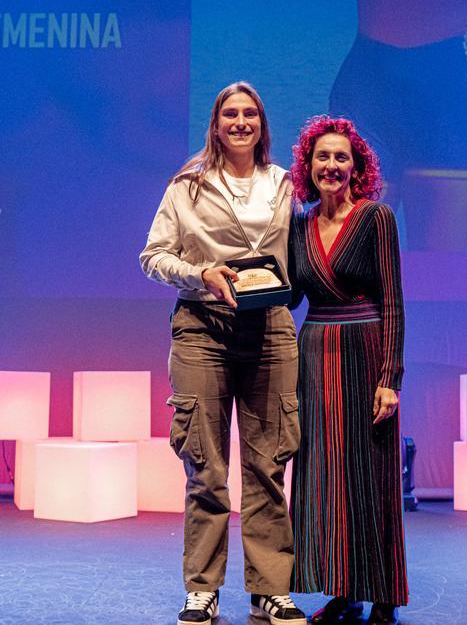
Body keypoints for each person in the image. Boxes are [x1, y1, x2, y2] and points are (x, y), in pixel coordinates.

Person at [140, 81, 308, 625]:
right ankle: (202, 590)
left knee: (267, 467)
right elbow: (153, 256)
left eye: (250, 113)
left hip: (270, 332)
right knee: (206, 470)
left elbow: (305, 252)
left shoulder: (285, 185)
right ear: (215, 125)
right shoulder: (188, 187)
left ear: (262, 124)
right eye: (230, 114)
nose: (240, 122)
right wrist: (199, 274)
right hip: (202, 331)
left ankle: (270, 591)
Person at [277, 0, 467, 251]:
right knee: (349, 260)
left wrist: (455, 101)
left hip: (446, 121)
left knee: (439, 268)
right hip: (367, 111)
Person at [287, 116, 407, 624]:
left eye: (342, 158)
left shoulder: (376, 218)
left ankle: (382, 594)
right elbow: (289, 296)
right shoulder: (299, 226)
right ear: (308, 167)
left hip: (365, 351)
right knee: (323, 476)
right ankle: (342, 589)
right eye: (323, 157)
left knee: (370, 477)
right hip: (314, 355)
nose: (331, 165)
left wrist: (390, 378)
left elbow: (394, 302)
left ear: (356, 167)